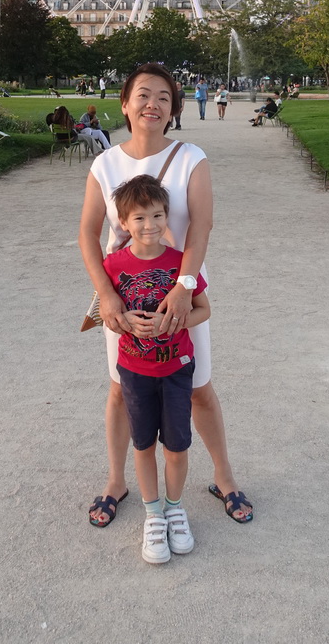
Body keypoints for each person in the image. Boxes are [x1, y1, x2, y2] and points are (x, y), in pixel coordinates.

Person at [79, 63, 253, 528]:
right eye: (142, 94)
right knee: (121, 390)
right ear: (125, 104)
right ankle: (116, 480)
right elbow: (87, 235)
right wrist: (107, 297)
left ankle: (225, 477)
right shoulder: (105, 164)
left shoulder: (192, 157)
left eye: (162, 96)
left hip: (182, 293)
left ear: (173, 107)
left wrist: (184, 287)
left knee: (199, 389)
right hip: (127, 300)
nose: (152, 103)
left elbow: (201, 226)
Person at [104, 174, 210, 563]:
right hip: (134, 371)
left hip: (177, 368)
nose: (150, 226)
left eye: (157, 216)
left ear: (168, 217)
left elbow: (205, 309)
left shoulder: (182, 264)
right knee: (143, 444)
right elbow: (103, 314)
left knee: (177, 446)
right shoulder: (112, 265)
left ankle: (175, 507)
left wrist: (178, 321)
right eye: (139, 219)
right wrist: (124, 320)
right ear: (123, 223)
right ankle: (153, 514)